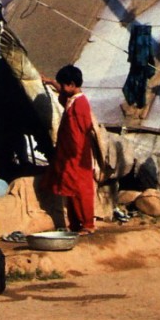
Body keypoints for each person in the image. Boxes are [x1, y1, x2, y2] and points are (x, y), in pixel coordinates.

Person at [42, 65, 96, 235]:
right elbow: (64, 95)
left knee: (80, 189)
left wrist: (71, 154)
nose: (62, 88)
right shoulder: (73, 99)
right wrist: (52, 82)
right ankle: (75, 224)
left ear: (72, 84)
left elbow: (77, 133)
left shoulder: (80, 105)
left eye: (64, 85)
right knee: (71, 189)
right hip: (70, 153)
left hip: (76, 154)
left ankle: (87, 224)